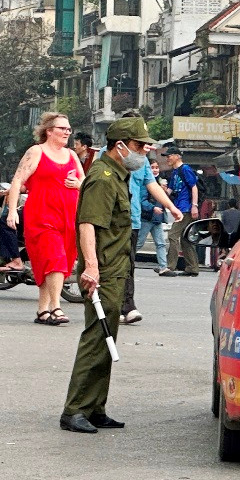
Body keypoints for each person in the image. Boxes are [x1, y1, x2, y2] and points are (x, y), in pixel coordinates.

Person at [60, 118, 152, 433]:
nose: (145, 151)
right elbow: (87, 224)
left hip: (115, 267)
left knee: (107, 336)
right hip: (102, 268)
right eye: (140, 146)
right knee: (96, 337)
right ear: (121, 145)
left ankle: (95, 407)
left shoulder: (119, 175)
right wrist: (90, 267)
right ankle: (74, 410)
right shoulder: (102, 177)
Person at [5, 112, 84, 326]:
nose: (67, 132)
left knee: (53, 263)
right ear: (49, 131)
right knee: (55, 258)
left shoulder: (71, 155)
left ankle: (42, 310)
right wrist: (12, 211)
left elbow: (85, 183)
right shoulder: (36, 152)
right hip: (42, 215)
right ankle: (56, 307)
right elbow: (18, 180)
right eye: (62, 128)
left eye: (69, 129)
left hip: (68, 217)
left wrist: (77, 184)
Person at [113, 116, 181, 324]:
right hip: (110, 220)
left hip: (132, 220)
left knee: (128, 265)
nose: (143, 146)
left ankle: (128, 305)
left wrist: (171, 206)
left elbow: (151, 185)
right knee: (110, 265)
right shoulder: (106, 157)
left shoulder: (141, 160)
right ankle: (109, 305)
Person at [160, 146, 199, 277]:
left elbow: (194, 187)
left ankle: (170, 266)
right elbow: (170, 191)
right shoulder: (175, 172)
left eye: (169, 156)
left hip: (186, 208)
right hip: (179, 208)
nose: (167, 158)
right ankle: (192, 268)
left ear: (177, 156)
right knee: (185, 239)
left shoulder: (185, 169)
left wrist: (194, 206)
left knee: (172, 235)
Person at [136, 159, 169, 271]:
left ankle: (163, 267)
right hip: (147, 217)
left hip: (157, 218)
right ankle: (123, 262)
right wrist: (152, 208)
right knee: (138, 243)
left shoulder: (160, 181)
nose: (155, 170)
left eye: (156, 167)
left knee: (161, 243)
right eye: (152, 167)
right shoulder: (145, 183)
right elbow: (142, 200)